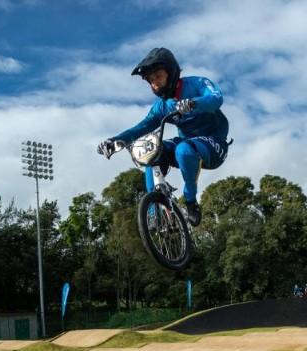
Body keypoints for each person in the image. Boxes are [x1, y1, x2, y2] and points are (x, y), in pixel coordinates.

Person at [97, 47, 230, 226]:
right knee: (150, 151)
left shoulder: (197, 83)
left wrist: (194, 103)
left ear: (171, 72)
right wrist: (114, 141)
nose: (155, 84)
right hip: (187, 143)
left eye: (158, 76)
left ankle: (190, 200)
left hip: (214, 144)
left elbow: (216, 98)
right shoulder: (162, 106)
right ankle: (154, 209)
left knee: (183, 150)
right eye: (151, 80)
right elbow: (142, 127)